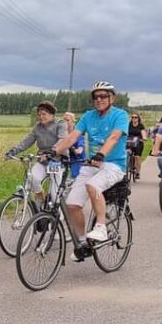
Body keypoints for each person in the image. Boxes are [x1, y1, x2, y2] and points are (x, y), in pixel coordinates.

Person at [52, 81, 129, 261]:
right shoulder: (88, 116)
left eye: (103, 96)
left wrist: (101, 154)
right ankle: (82, 243)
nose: (99, 99)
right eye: (96, 97)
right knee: (72, 205)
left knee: (93, 185)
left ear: (112, 98)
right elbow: (72, 137)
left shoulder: (120, 115)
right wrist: (54, 151)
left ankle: (101, 227)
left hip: (114, 165)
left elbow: (114, 137)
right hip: (91, 165)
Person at [5, 101, 67, 204]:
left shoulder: (60, 124)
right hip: (43, 160)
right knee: (32, 177)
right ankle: (41, 199)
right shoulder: (38, 127)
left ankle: (59, 213)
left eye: (44, 114)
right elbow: (27, 141)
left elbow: (63, 139)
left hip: (57, 161)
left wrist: (51, 152)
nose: (41, 117)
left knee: (55, 195)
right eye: (39, 115)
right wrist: (12, 151)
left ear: (52, 115)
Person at [63, 111, 87, 179]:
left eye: (68, 120)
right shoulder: (61, 133)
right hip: (65, 158)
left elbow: (80, 149)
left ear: (73, 122)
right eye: (64, 121)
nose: (65, 122)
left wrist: (76, 149)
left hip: (77, 159)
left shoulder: (77, 133)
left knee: (75, 176)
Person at [126, 112, 147, 180]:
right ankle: (129, 165)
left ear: (138, 118)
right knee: (127, 152)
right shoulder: (128, 125)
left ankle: (137, 172)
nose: (134, 118)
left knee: (137, 157)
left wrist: (144, 138)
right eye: (132, 117)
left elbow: (143, 133)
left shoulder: (141, 125)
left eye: (135, 117)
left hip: (138, 142)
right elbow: (125, 132)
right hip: (129, 141)